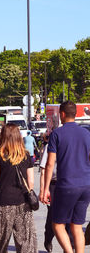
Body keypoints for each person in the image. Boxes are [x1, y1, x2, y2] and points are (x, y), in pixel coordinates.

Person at [0, 123, 37, 253]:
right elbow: (31, 182)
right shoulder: (26, 155)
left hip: (3, 204)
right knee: (25, 243)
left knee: (0, 241)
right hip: (23, 204)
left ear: (3, 136)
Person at [43, 101, 90, 253]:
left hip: (67, 185)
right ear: (75, 114)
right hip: (86, 185)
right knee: (77, 226)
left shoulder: (57, 134)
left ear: (62, 114)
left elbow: (50, 164)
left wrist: (45, 189)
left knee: (57, 224)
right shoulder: (86, 133)